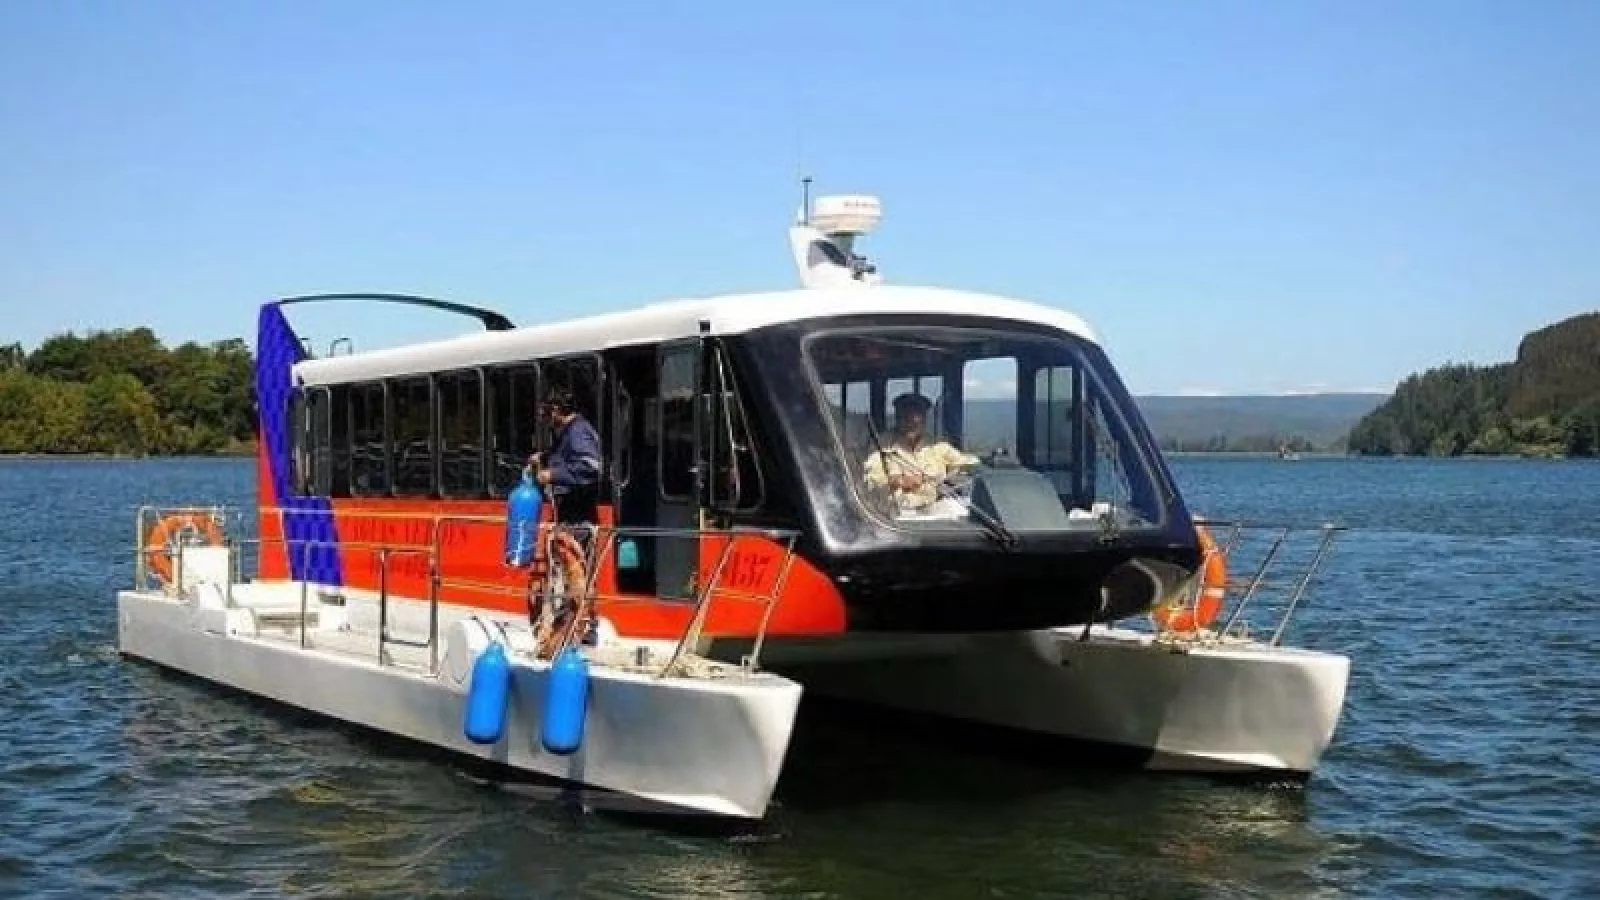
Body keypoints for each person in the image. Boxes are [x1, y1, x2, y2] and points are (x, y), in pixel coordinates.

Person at [862, 392, 978, 515]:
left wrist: (967, 470)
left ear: (924, 419)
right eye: (906, 416)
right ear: (897, 417)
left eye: (917, 416)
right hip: (893, 515)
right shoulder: (881, 445)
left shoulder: (937, 445)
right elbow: (870, 480)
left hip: (935, 510)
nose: (911, 422)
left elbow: (968, 464)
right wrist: (898, 481)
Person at [528, 388, 603, 529]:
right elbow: (564, 456)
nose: (545, 419)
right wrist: (543, 457)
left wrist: (553, 474)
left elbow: (591, 467)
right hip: (569, 513)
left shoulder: (578, 431)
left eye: (546, 412)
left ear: (556, 410)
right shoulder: (568, 431)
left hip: (579, 516)